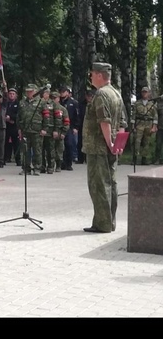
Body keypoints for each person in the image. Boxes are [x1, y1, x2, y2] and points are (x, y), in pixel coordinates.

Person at [82, 62, 127, 233]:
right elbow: (122, 122)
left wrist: (110, 144)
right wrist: (118, 144)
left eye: (92, 73)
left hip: (98, 147)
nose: (91, 77)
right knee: (111, 184)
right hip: (110, 147)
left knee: (99, 185)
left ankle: (103, 224)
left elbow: (104, 122)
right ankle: (110, 221)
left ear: (100, 75)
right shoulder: (116, 93)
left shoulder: (101, 94)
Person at [18, 84, 49, 176]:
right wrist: (19, 128)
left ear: (35, 92)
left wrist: (45, 128)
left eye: (31, 91)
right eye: (27, 91)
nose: (29, 93)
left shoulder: (41, 102)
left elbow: (46, 116)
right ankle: (26, 168)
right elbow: (18, 117)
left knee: (37, 150)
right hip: (25, 130)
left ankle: (37, 168)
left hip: (37, 130)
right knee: (25, 151)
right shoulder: (22, 102)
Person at [133, 86, 158, 165]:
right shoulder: (137, 103)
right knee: (137, 141)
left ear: (149, 93)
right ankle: (135, 158)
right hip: (139, 124)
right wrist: (133, 125)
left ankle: (144, 158)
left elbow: (155, 116)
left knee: (146, 142)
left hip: (148, 124)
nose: (144, 93)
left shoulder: (152, 104)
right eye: (143, 92)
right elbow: (133, 115)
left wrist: (154, 126)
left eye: (146, 92)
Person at [59, 85, 79, 170]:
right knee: (60, 146)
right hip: (60, 126)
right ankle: (62, 163)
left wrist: (76, 127)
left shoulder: (73, 103)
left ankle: (69, 163)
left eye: (63, 92)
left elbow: (77, 116)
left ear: (67, 92)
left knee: (69, 144)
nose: (62, 93)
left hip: (70, 127)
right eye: (61, 92)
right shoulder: (58, 102)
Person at [51, 91, 70, 173]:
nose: (53, 100)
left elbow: (66, 122)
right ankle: (50, 166)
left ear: (58, 99)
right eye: (52, 98)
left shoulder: (62, 109)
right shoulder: (48, 108)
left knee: (59, 150)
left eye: (55, 98)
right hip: (50, 132)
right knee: (50, 150)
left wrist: (64, 133)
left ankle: (58, 165)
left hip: (60, 132)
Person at [4, 87, 21, 166]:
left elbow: (19, 115)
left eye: (13, 94)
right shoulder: (6, 104)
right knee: (5, 143)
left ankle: (18, 160)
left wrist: (10, 117)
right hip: (6, 126)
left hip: (14, 126)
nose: (11, 95)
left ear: (16, 95)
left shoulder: (18, 104)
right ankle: (4, 159)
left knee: (16, 143)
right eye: (10, 94)